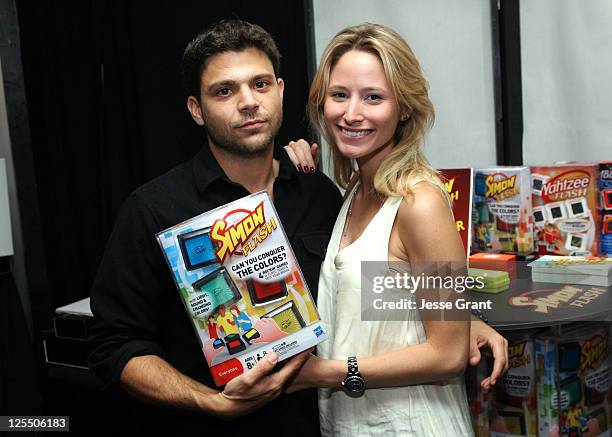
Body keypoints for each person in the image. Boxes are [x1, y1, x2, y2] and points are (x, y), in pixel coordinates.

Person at [89, 19, 505, 435]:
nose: (248, 102)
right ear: (197, 109)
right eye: (224, 90)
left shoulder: (317, 193)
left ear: (281, 90)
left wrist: (457, 321)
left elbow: (380, 298)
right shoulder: (153, 210)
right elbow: (114, 346)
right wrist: (212, 403)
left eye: (260, 84)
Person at [284, 23, 501, 435]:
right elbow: (392, 306)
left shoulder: (419, 201)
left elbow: (448, 355)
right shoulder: (354, 193)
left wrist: (324, 373)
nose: (351, 113)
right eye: (339, 95)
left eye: (373, 97)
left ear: (404, 108)